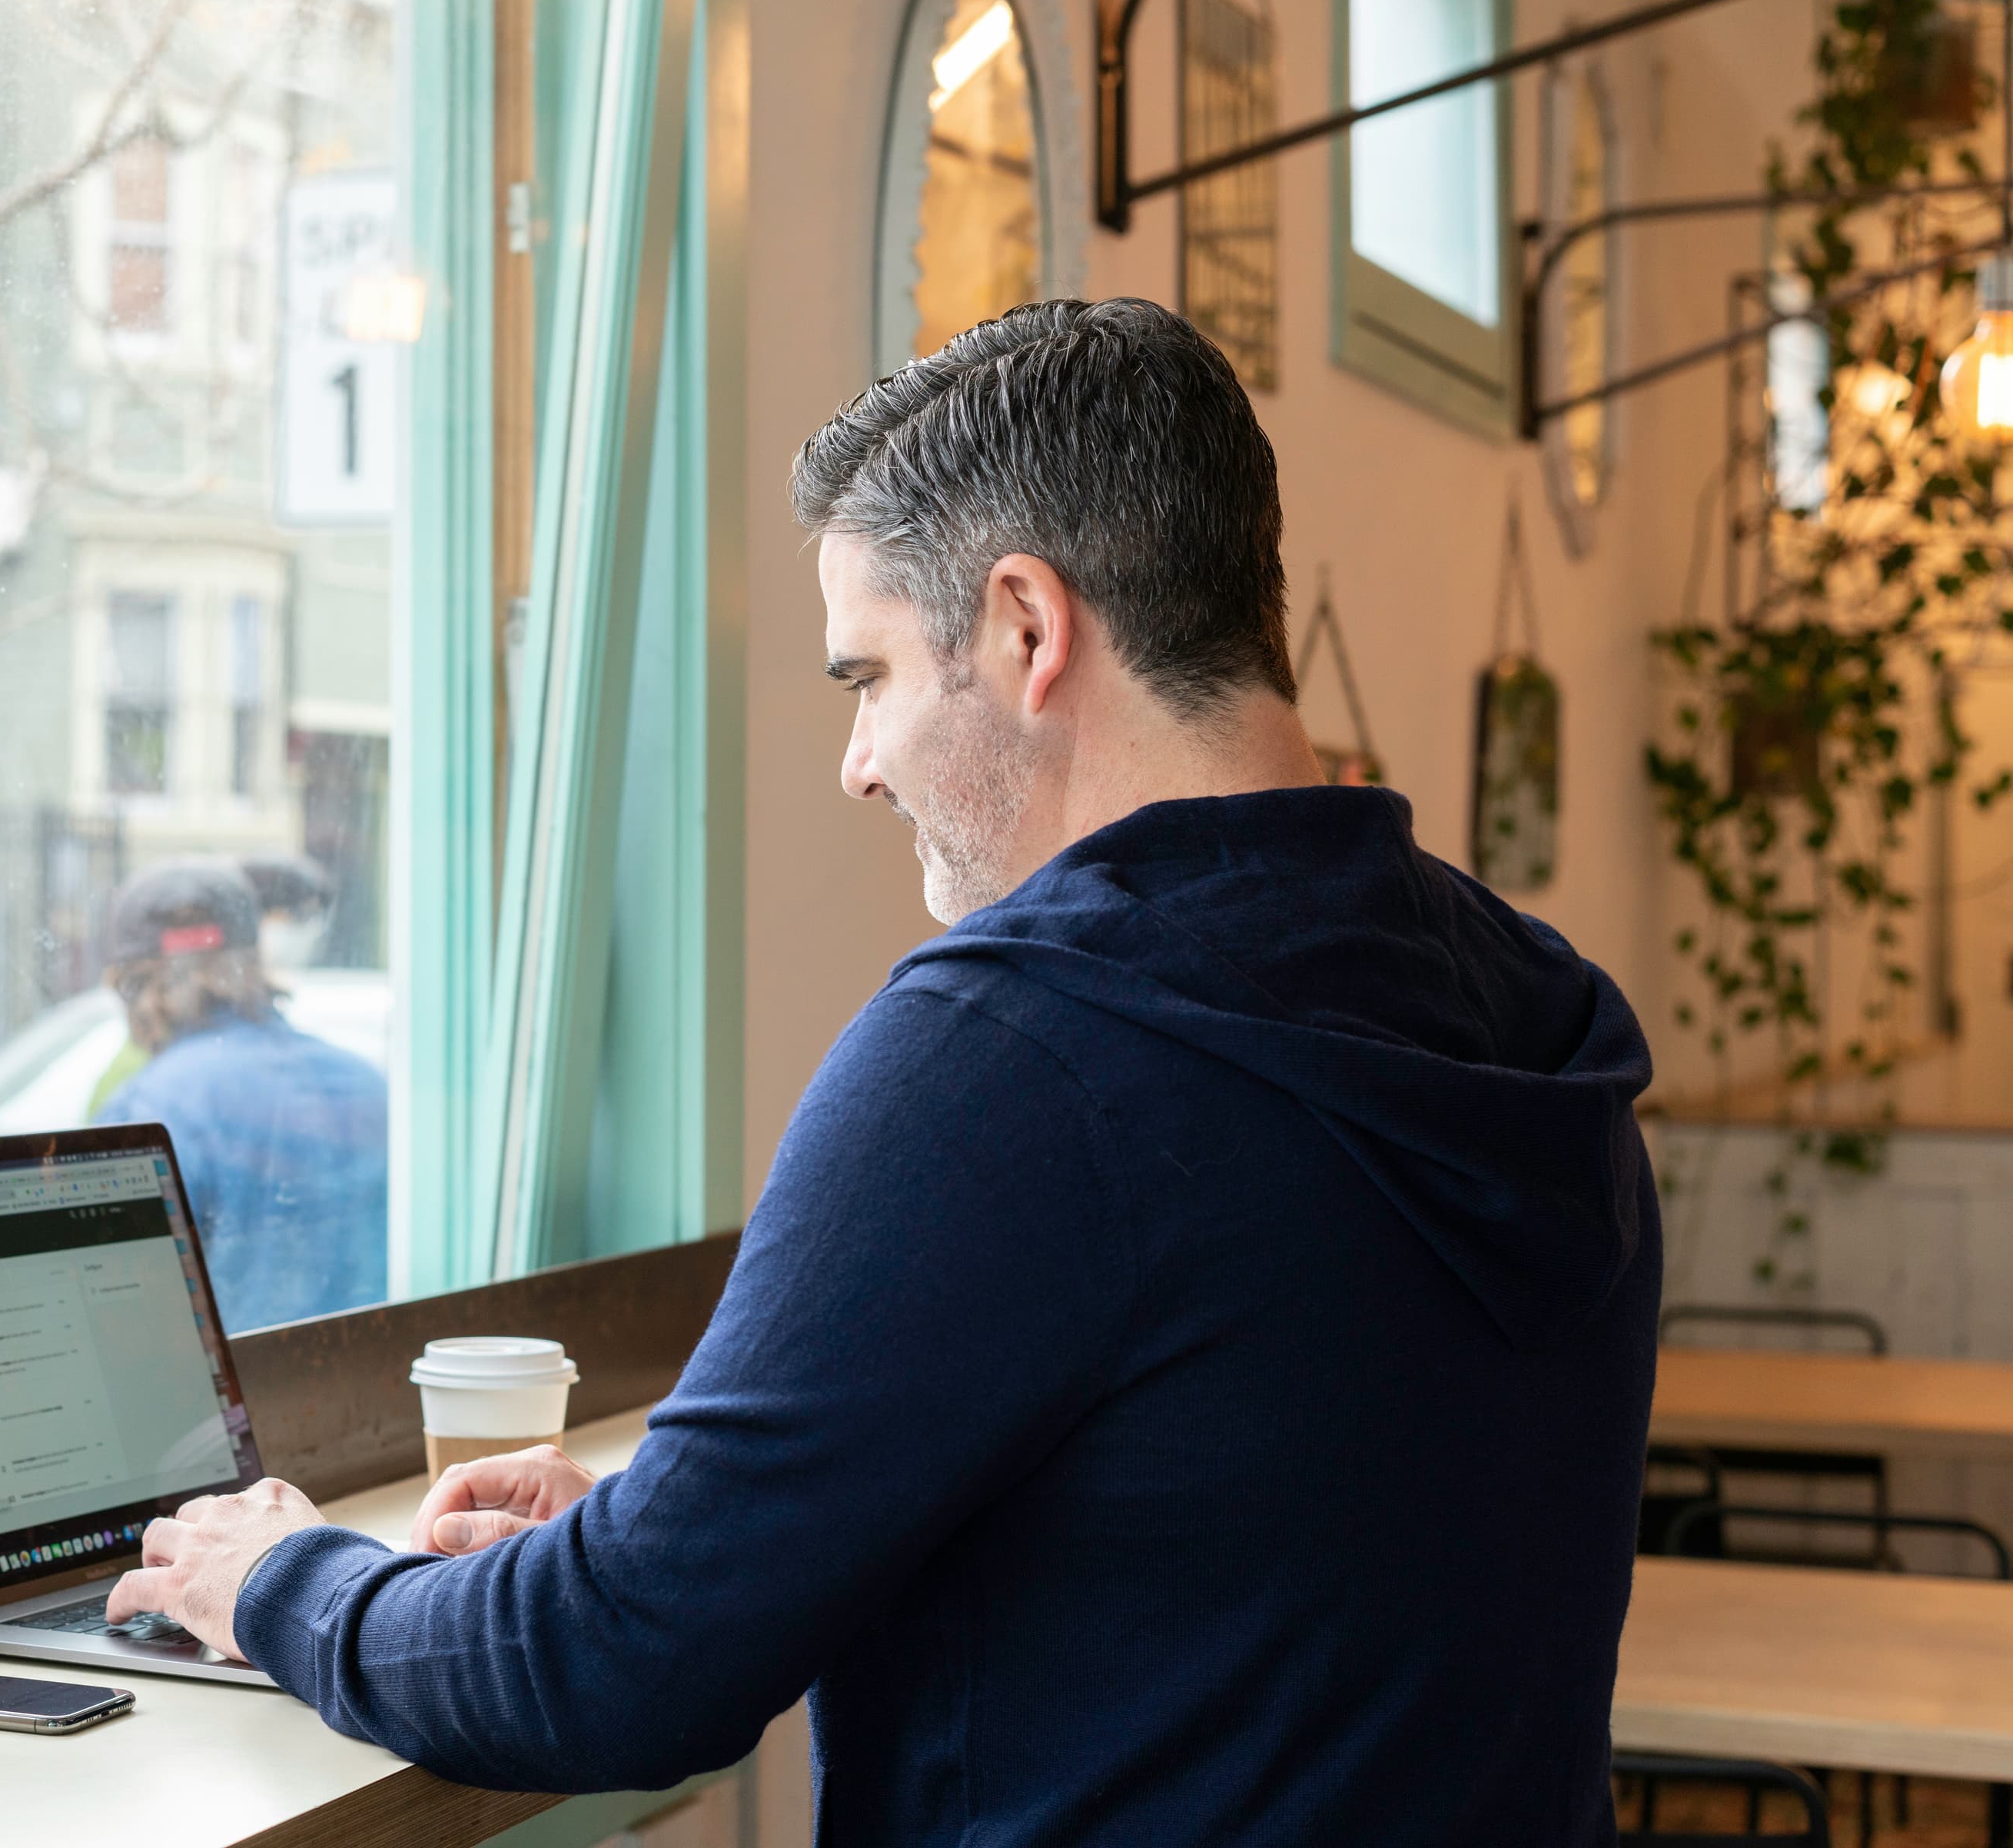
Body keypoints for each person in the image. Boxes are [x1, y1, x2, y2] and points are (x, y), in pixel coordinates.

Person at [109, 299, 1659, 1843]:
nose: (860, 761)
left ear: (1027, 629)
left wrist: (280, 1579)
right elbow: (1250, 1542)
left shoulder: (1020, 1050)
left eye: (869, 677)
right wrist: (712, 1538)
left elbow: (621, 1666)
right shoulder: (1518, 1010)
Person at [96, 859, 386, 1331]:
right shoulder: (367, 1083)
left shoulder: (146, 1113)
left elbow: (120, 1320)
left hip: (245, 1399)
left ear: (133, 987)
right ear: (253, 963)